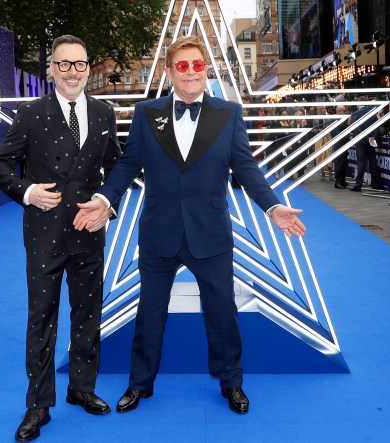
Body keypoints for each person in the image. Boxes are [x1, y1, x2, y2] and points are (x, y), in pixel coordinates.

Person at [72, 35, 306, 416]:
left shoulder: (229, 114)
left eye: (197, 65)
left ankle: (231, 382)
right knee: (150, 314)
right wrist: (103, 198)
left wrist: (272, 206)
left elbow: (246, 167)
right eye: (182, 66)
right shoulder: (146, 114)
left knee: (223, 313)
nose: (191, 72)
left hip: (210, 233)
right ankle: (139, 383)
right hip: (159, 233)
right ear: (169, 72)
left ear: (206, 70)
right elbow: (128, 165)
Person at [0, 35, 122, 442]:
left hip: (87, 232)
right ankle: (39, 404)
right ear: (51, 70)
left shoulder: (104, 113)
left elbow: (117, 167)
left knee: (88, 314)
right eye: (63, 64)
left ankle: (82, 387)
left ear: (88, 67)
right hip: (44, 235)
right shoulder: (31, 113)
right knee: (41, 318)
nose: (72, 72)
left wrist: (107, 205)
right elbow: (0, 164)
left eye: (79, 64)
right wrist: (28, 192)